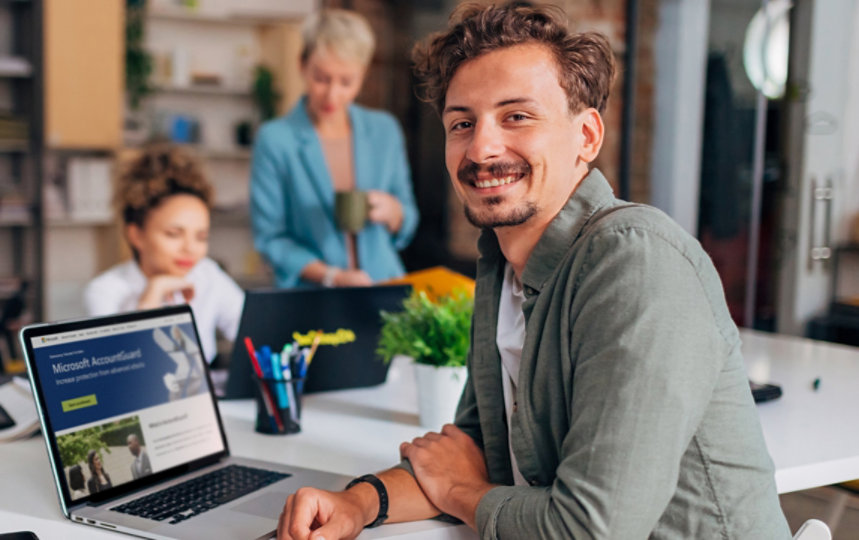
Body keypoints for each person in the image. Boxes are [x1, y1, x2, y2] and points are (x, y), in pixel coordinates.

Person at [277, 4, 791, 540]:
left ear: (586, 137)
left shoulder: (636, 262)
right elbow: (468, 453)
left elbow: (591, 531)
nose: (481, 148)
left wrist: (463, 494)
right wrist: (356, 504)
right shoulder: (502, 268)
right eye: (462, 123)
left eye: (516, 116)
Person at [250, 8, 419, 289]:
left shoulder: (384, 130)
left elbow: (409, 218)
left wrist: (395, 212)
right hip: (313, 296)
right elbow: (271, 239)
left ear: (362, 75)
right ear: (302, 65)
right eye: (321, 78)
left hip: (383, 286)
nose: (332, 94)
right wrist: (332, 277)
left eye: (346, 81)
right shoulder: (275, 139)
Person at [83, 144, 244, 364]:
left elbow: (251, 332)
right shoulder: (104, 291)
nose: (189, 248)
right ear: (136, 235)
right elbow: (125, 370)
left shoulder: (207, 274)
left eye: (201, 237)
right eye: (173, 234)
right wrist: (152, 294)